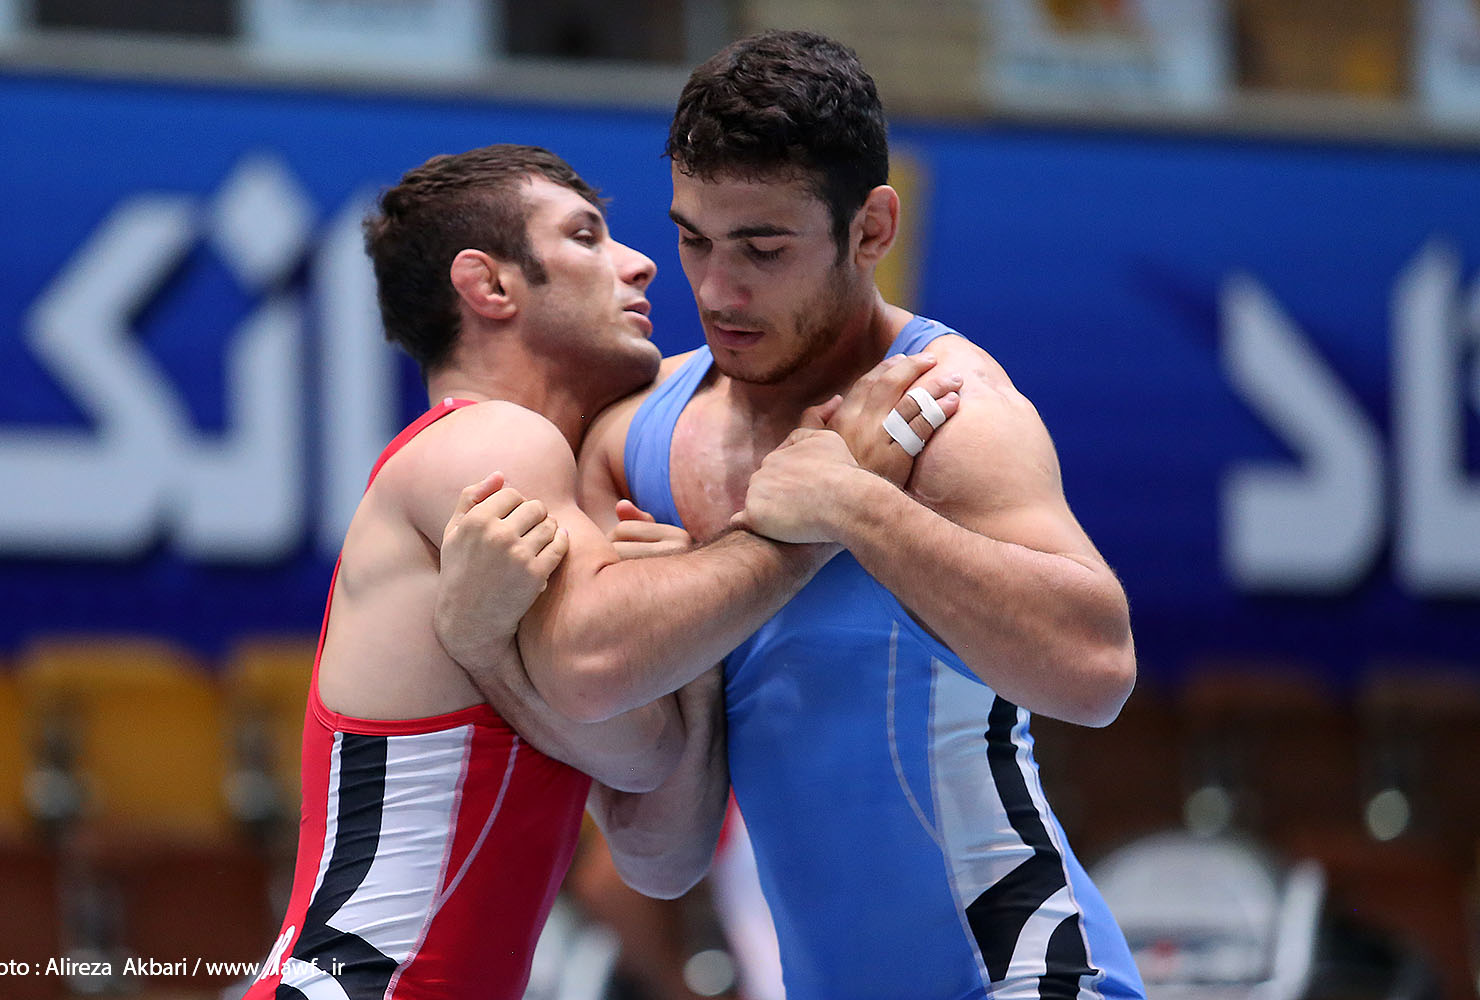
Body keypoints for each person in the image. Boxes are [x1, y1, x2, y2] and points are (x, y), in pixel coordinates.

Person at [442, 31, 1148, 1000]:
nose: (716, 290)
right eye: (694, 240)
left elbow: (1098, 671)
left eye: (763, 249)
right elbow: (661, 855)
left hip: (1025, 972)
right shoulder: (633, 439)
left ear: (871, 229)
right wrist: (695, 641)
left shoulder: (944, 408)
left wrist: (855, 503)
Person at [242, 143, 958, 1000]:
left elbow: (664, 852)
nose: (641, 262)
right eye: (586, 236)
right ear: (489, 285)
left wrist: (523, 651)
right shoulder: (488, 439)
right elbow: (610, 697)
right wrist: (823, 514)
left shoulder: (558, 490)